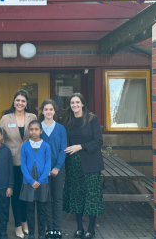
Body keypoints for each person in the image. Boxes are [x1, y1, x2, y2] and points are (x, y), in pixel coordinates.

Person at [62, 93, 104, 239]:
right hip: (73, 165)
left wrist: (80, 146)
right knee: (77, 196)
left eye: (77, 102)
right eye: (72, 102)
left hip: (90, 165)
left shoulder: (92, 119)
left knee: (91, 197)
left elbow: (98, 141)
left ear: (83, 104)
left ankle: (90, 229)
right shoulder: (69, 120)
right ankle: (79, 228)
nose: (74, 105)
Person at [0, 89, 37, 238]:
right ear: (14, 102)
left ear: (27, 103)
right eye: (18, 100)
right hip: (12, 163)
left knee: (26, 194)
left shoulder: (32, 117)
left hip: (29, 161)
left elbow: (36, 135)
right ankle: (17, 225)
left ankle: (25, 222)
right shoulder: (6, 118)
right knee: (15, 195)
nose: (20, 103)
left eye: (23, 101)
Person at [38, 100, 67, 239]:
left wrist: (57, 167)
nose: (48, 112)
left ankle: (57, 228)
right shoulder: (38, 128)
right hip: (43, 170)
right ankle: (49, 228)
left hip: (58, 169)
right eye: (46, 109)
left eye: (51, 109)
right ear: (42, 111)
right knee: (46, 199)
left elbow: (63, 149)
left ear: (54, 111)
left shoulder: (61, 128)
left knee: (58, 198)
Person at [20, 120, 51, 239]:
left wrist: (41, 179)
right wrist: (31, 180)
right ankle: (31, 234)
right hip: (29, 181)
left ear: (41, 131)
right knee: (30, 209)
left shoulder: (46, 146)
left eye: (36, 129)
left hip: (42, 181)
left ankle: (41, 234)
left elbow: (48, 164)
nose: (34, 132)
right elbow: (23, 165)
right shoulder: (25, 146)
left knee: (42, 210)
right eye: (31, 129)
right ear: (29, 130)